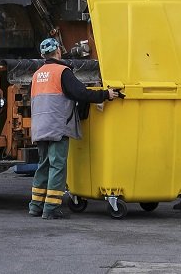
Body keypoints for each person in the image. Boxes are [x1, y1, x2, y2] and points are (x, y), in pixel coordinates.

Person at [28, 37, 116, 220]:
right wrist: (105, 94)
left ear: (43, 55)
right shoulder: (62, 72)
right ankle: (51, 208)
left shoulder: (37, 74)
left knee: (43, 165)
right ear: (58, 51)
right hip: (57, 126)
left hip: (40, 126)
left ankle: (35, 206)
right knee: (57, 166)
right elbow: (80, 93)